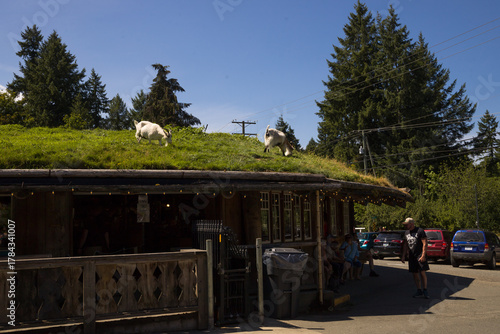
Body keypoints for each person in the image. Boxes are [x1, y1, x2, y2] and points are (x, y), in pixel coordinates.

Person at [401, 217, 430, 299]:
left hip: (420, 254)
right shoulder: (406, 232)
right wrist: (403, 256)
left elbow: (425, 243)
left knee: (422, 272)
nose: (406, 226)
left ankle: (425, 290)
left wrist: (423, 255)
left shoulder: (420, 231)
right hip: (412, 256)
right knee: (415, 273)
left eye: (407, 224)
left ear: (412, 224)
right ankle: (419, 290)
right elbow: (406, 244)